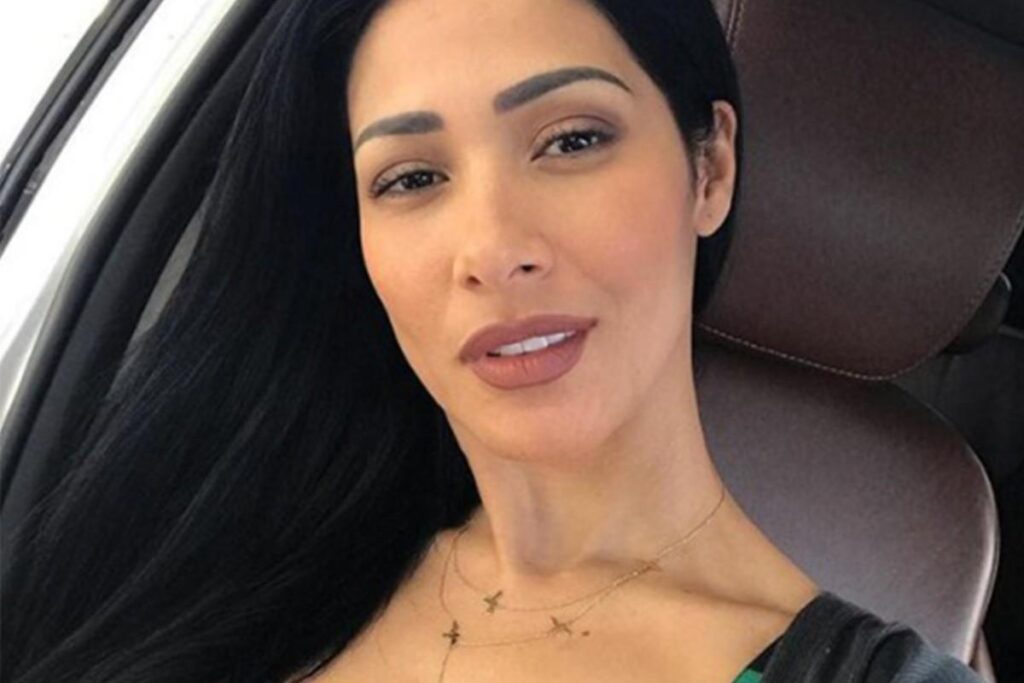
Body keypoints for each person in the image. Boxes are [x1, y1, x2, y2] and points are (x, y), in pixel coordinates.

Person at [0, 0, 986, 681]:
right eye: (411, 178)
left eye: (572, 139)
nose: (493, 249)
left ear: (709, 168)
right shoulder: (231, 544)